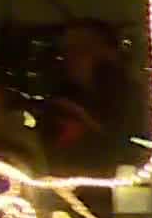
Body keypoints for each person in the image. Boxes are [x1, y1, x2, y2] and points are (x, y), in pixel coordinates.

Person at [45, 19, 130, 172]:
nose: (69, 57)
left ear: (108, 54)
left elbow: (130, 148)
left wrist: (85, 120)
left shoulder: (134, 98)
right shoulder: (62, 95)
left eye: (80, 49)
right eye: (66, 50)